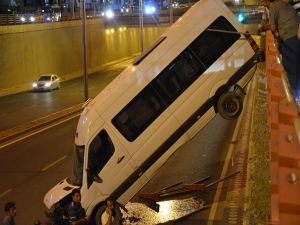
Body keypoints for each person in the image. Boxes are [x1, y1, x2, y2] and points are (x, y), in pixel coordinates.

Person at [269, 0, 300, 99]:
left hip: (290, 38)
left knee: (291, 68)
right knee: (297, 66)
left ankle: (294, 98)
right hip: (297, 36)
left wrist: (276, 33)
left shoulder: (273, 6)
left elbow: (272, 27)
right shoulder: (286, 4)